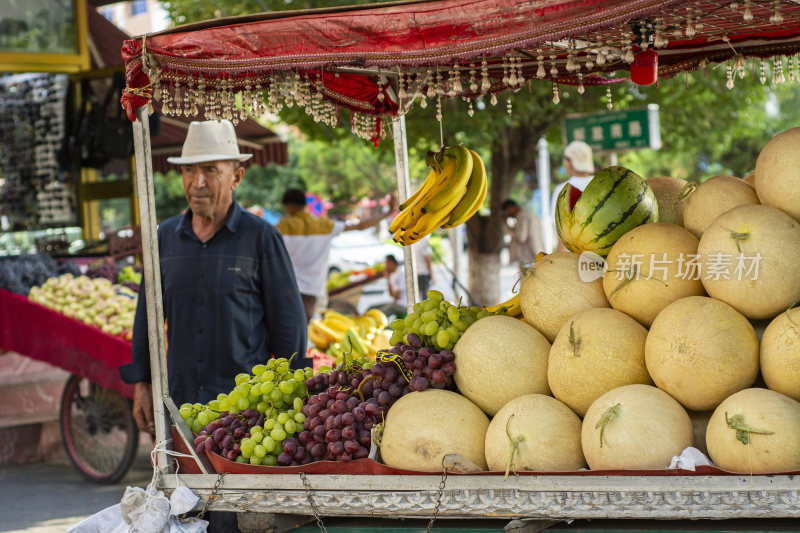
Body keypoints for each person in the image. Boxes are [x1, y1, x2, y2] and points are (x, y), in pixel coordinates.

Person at [120, 119, 308, 429]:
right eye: (189, 171)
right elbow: (147, 319)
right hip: (181, 405)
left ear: (236, 177)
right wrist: (141, 385)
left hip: (248, 412)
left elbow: (289, 325)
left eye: (210, 170)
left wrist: (294, 396)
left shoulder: (261, 237)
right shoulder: (164, 238)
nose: (197, 182)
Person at [277, 188, 396, 321]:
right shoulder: (323, 225)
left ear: (289, 207)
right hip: (312, 290)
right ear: (305, 205)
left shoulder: (282, 227)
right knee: (303, 326)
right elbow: (360, 226)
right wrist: (388, 213)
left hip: (286, 287)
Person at [550, 140, 596, 249]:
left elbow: (561, 233)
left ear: (570, 163)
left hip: (573, 257)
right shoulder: (603, 185)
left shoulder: (562, 190)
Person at [501, 199, 545, 268]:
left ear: (511, 208)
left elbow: (521, 237)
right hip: (536, 254)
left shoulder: (522, 215)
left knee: (528, 278)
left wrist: (506, 226)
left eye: (507, 212)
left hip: (529, 256)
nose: (508, 215)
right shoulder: (527, 213)